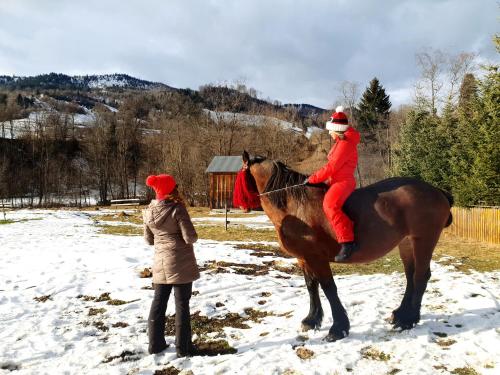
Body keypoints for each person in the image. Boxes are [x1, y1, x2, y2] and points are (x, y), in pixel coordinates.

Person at [143, 174, 199, 357]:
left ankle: (155, 345)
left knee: (158, 302)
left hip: (160, 262)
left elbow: (149, 240)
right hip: (180, 262)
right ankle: (183, 348)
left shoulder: (148, 211)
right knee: (182, 304)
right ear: (170, 189)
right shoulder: (178, 209)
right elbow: (190, 237)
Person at [305, 106, 360, 262]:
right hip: (335, 180)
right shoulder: (341, 141)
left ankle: (348, 242)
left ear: (338, 129)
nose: (329, 132)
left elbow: (332, 167)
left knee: (330, 205)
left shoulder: (345, 144)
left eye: (331, 130)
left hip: (343, 181)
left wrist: (313, 179)